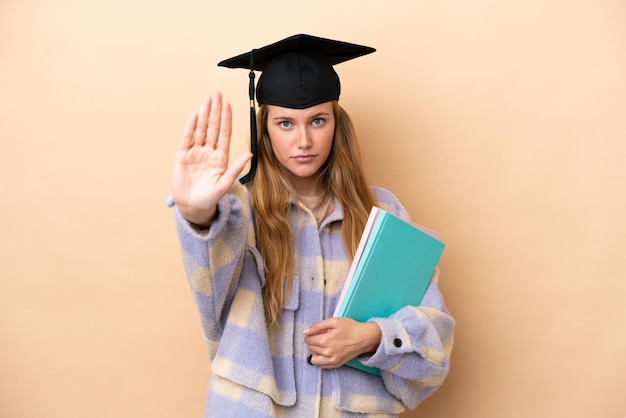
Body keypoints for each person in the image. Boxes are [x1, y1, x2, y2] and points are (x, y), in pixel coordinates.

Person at [168, 34, 455, 417]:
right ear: (264, 130)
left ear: (338, 124)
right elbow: (210, 283)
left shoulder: (382, 212)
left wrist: (371, 337)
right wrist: (197, 214)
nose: (303, 140)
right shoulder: (237, 209)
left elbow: (435, 349)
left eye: (317, 120)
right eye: (285, 123)